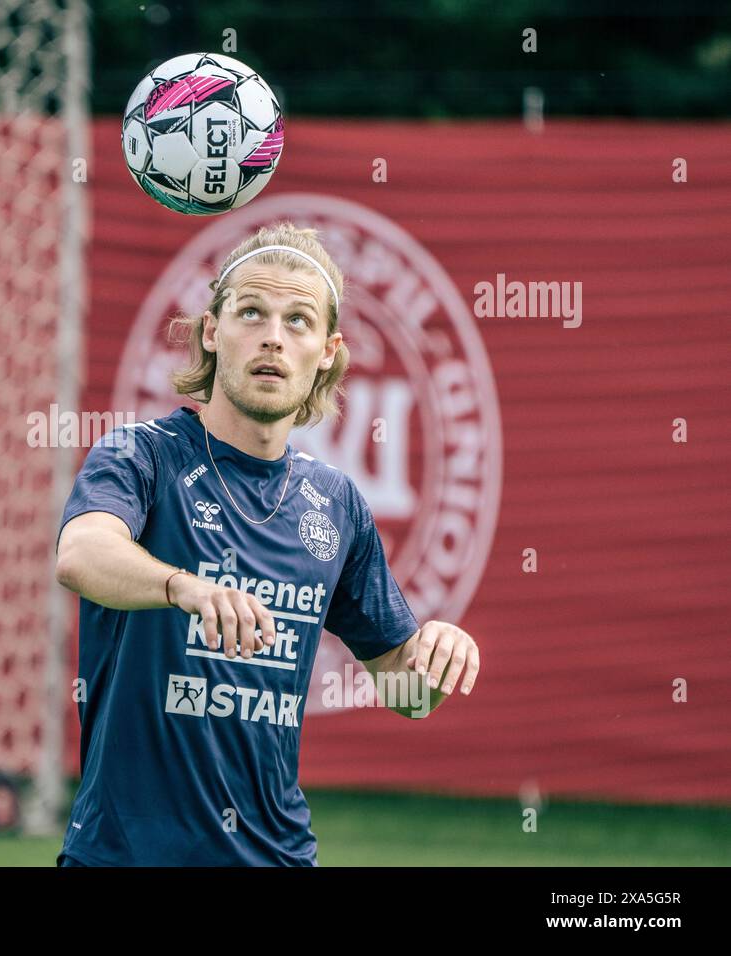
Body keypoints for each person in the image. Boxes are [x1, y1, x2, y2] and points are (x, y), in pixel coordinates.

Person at [54, 222, 480, 866]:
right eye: (251, 312)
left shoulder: (336, 504)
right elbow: (80, 554)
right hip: (124, 855)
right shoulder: (141, 456)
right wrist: (182, 586)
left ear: (328, 351)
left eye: (298, 321)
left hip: (275, 856)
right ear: (211, 330)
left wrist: (439, 658)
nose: (273, 337)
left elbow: (405, 695)